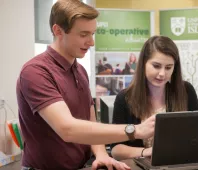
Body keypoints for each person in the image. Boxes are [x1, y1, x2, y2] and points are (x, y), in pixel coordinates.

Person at [16, 0, 155, 169]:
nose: (91, 42)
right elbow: (67, 129)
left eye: (93, 34)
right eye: (83, 35)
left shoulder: (80, 70)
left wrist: (102, 154)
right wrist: (134, 130)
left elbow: (90, 119)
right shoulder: (35, 72)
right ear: (58, 30)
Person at [111, 35, 198, 160]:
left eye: (168, 67)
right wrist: (146, 152)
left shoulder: (186, 91)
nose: (162, 73)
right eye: (156, 66)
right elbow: (116, 149)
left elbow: (195, 137)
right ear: (143, 64)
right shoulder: (125, 98)